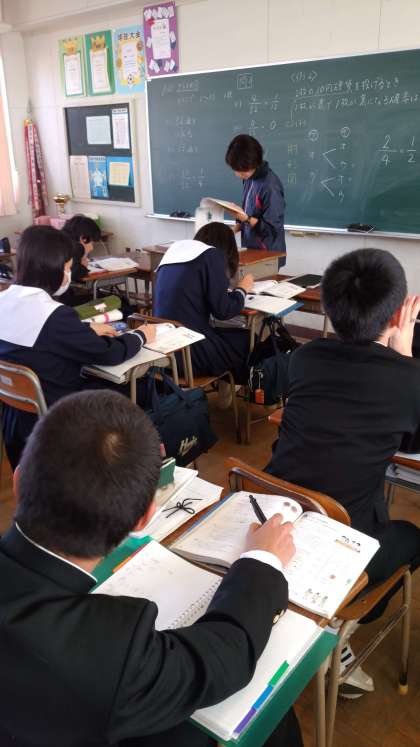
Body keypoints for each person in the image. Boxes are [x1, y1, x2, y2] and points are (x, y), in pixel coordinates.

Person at [0, 389, 303, 747]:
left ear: (19, 480)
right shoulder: (110, 654)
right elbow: (224, 658)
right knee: (271, 718)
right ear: (144, 518)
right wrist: (261, 561)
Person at [266, 247, 420, 695]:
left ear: (328, 310)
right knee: (411, 537)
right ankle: (338, 634)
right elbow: (410, 443)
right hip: (338, 533)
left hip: (277, 511)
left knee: (361, 489)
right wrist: (404, 358)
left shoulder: (304, 358)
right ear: (399, 316)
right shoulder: (409, 380)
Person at [0, 225, 155, 468]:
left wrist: (84, 328)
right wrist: (140, 336)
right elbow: (110, 353)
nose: (68, 275)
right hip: (62, 413)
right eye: (68, 268)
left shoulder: (5, 300)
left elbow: (41, 338)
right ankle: (130, 465)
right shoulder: (55, 316)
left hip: (15, 419)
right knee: (145, 386)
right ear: (52, 269)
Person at [154, 222, 254, 385]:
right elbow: (224, 311)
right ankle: (243, 388)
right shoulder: (212, 255)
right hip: (189, 352)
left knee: (228, 338)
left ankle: (226, 387)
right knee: (248, 339)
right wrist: (243, 289)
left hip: (163, 349)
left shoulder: (174, 253)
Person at [225, 134, 286, 257]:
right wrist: (235, 228)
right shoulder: (249, 178)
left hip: (268, 253)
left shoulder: (270, 187)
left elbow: (271, 230)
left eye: (242, 171)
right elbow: (249, 211)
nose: (238, 174)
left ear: (254, 163)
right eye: (236, 170)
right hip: (250, 248)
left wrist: (246, 219)